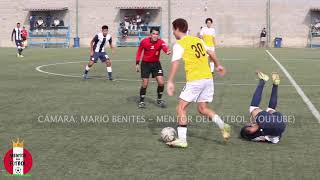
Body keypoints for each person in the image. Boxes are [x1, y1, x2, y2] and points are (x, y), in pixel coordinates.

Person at [166, 18, 231, 148]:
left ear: (177, 29)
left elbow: (175, 62)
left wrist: (170, 81)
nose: (173, 32)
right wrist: (217, 65)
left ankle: (182, 140)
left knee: (180, 108)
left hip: (195, 80)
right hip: (208, 78)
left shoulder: (180, 44)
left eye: (173, 29)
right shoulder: (198, 40)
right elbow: (211, 52)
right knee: (202, 109)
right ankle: (223, 125)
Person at [240, 71, 286, 144]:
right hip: (271, 125)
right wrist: (254, 124)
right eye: (249, 126)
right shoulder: (252, 135)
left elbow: (274, 138)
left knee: (271, 110)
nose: (250, 124)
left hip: (281, 126)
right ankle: (263, 80)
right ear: (249, 131)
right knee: (253, 108)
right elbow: (252, 129)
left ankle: (275, 84)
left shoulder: (259, 137)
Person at [135, 27, 171, 108]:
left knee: (161, 83)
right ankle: (141, 101)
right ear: (150, 34)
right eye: (153, 34)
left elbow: (164, 47)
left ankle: (159, 100)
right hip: (145, 64)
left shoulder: (160, 42)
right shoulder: (144, 41)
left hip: (156, 64)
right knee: (145, 83)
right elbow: (139, 52)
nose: (155, 36)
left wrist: (167, 51)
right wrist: (137, 63)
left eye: (157, 34)